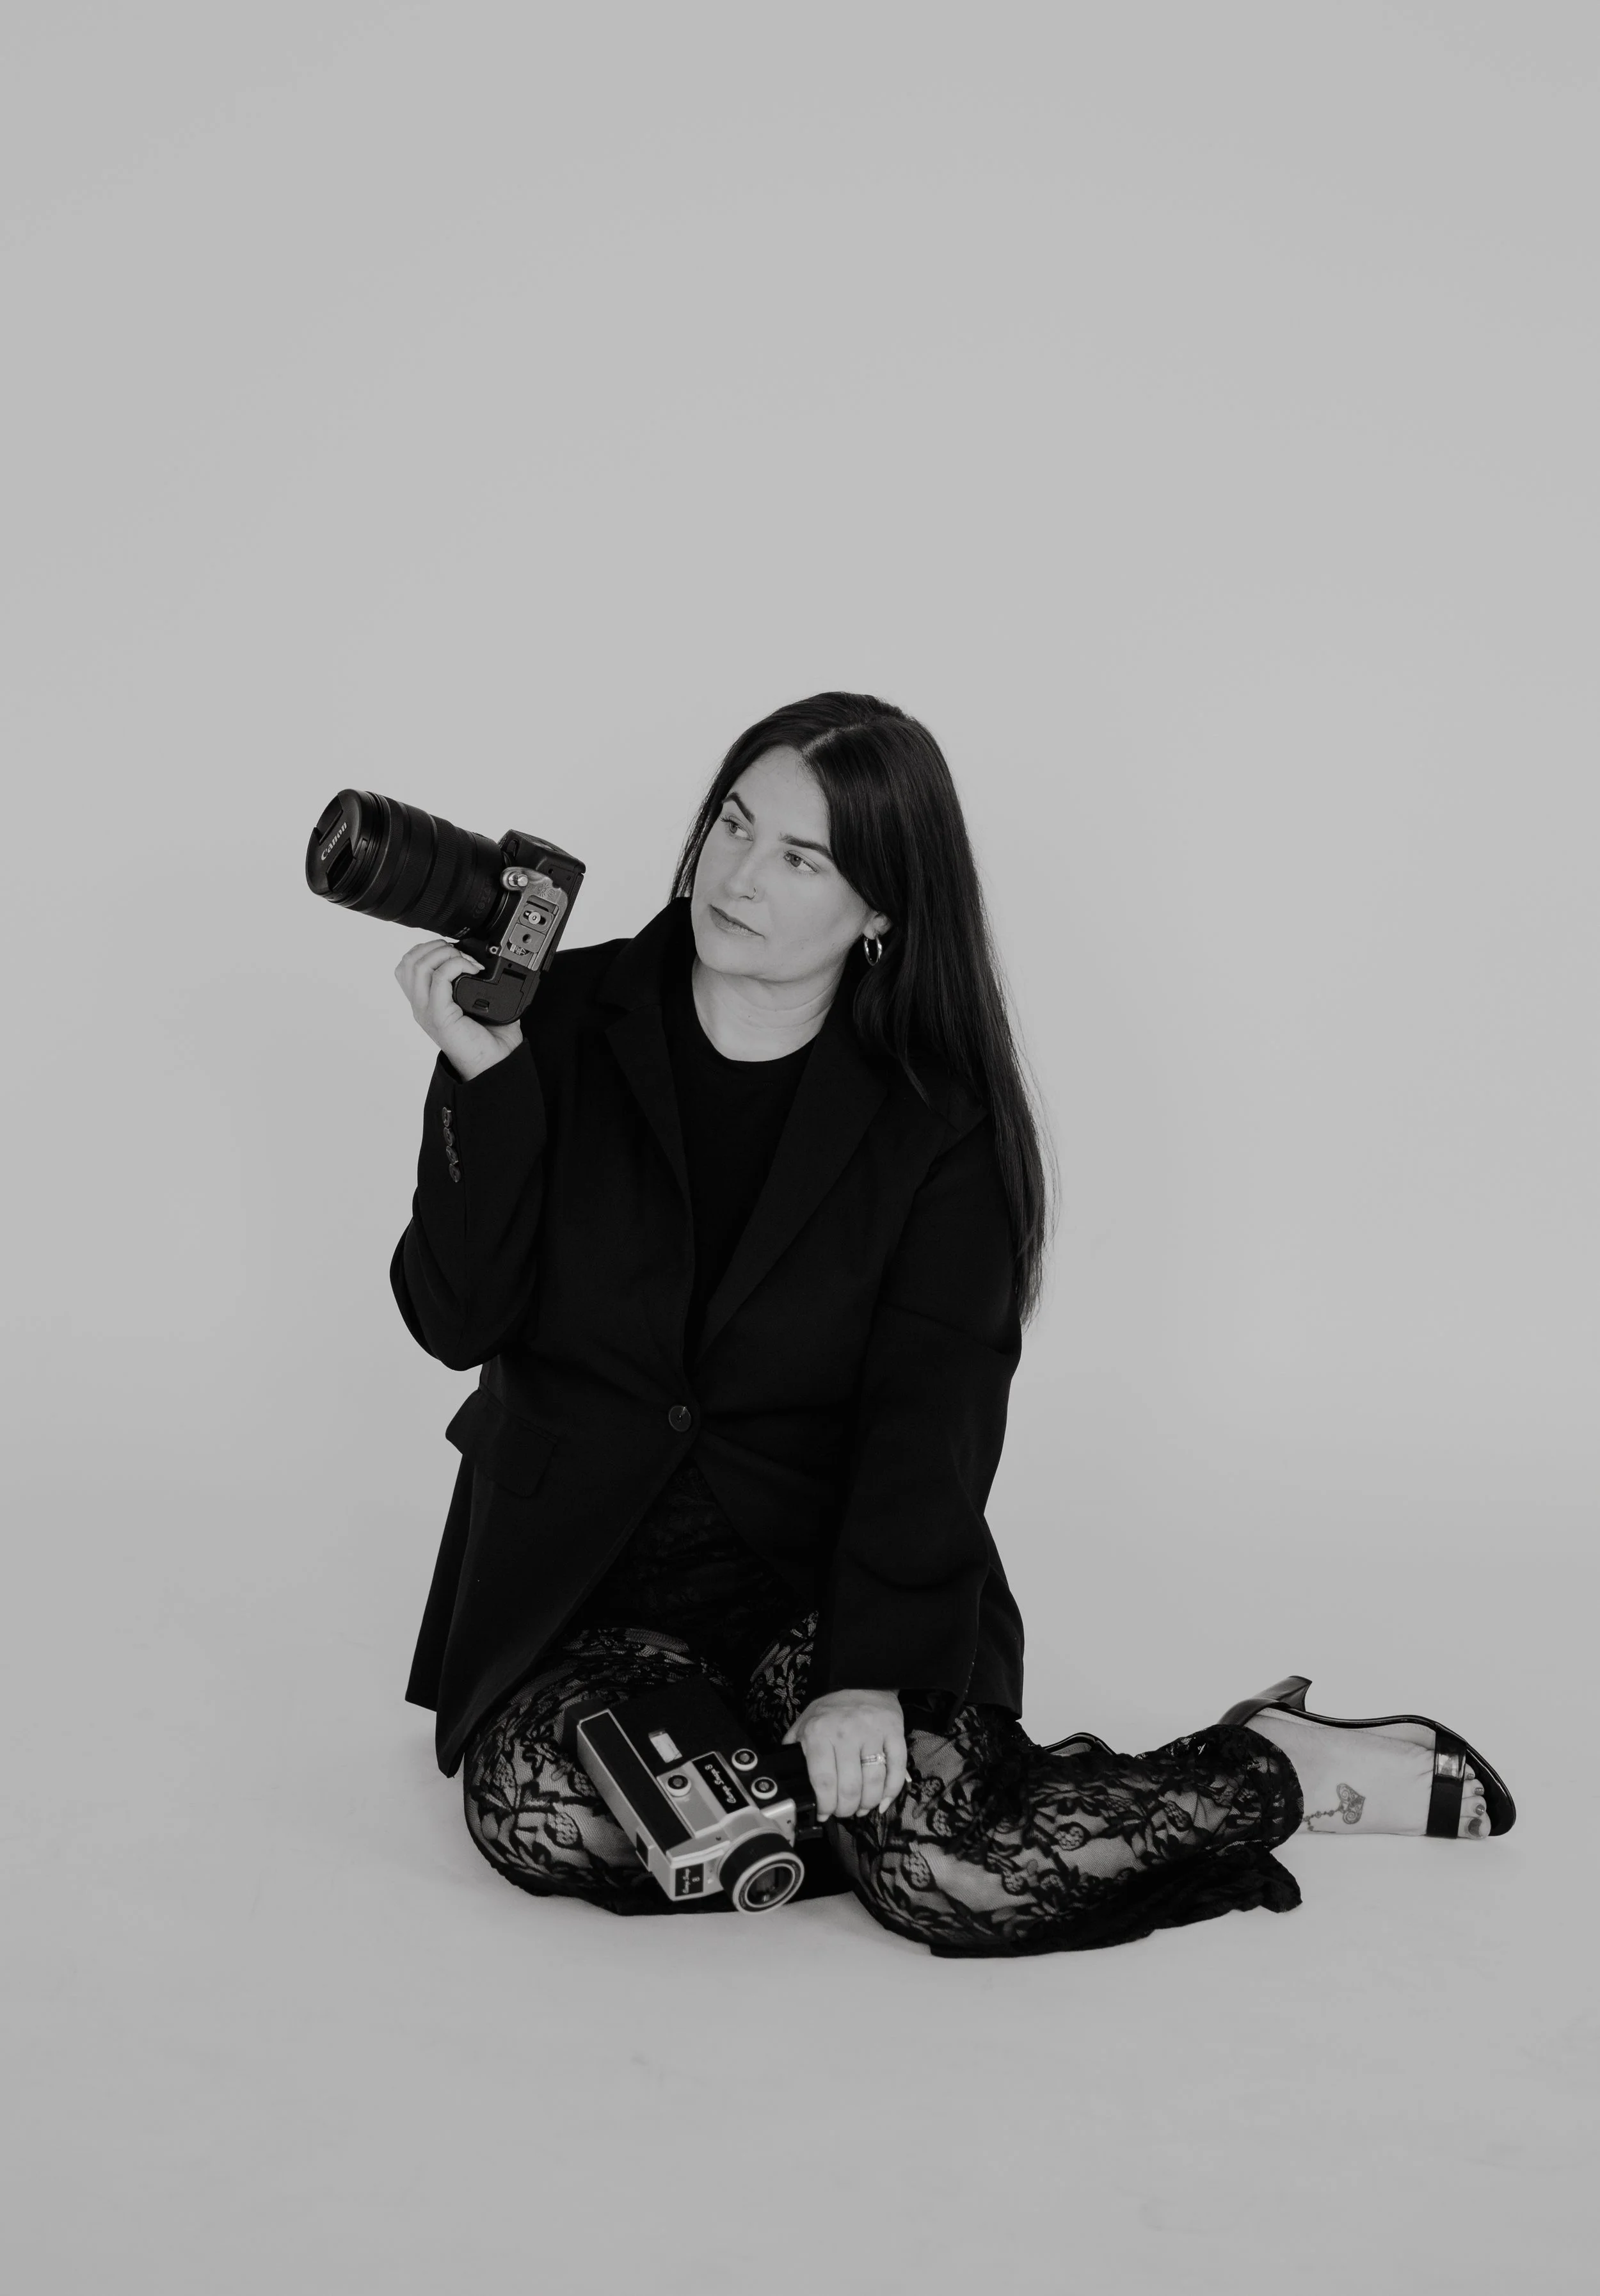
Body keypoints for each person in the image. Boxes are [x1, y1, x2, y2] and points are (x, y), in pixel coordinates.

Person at [389, 692, 1513, 1957]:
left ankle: (1274, 1764)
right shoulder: (549, 1019)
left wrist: (863, 1676)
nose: (739, 875)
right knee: (542, 1818)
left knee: (944, 1873)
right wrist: (484, 1089)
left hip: (822, 1588)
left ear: (881, 907)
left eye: (801, 859)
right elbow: (455, 1318)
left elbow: (933, 1412)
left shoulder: (935, 1116)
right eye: (733, 824)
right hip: (584, 1593)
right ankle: (863, 1797)